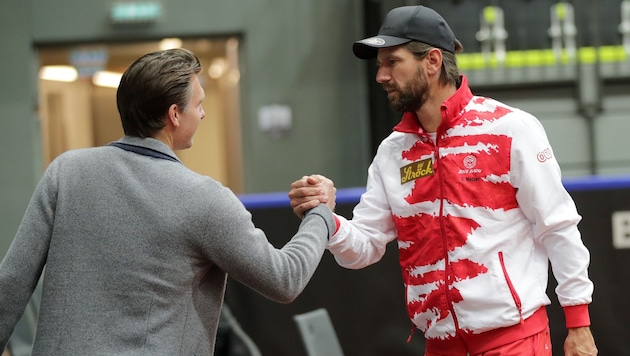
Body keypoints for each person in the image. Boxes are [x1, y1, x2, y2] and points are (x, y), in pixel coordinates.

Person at [289, 5, 597, 356]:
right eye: (380, 65)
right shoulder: (393, 152)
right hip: (439, 345)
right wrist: (325, 217)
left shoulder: (510, 128)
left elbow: (557, 226)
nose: (381, 76)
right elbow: (363, 249)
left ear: (432, 61)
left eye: (393, 62)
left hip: (513, 341)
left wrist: (579, 323)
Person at [0, 48, 336, 355]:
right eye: (199, 104)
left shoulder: (65, 171)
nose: (202, 114)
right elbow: (284, 279)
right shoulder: (206, 198)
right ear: (175, 114)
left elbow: (11, 283)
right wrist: (320, 213)